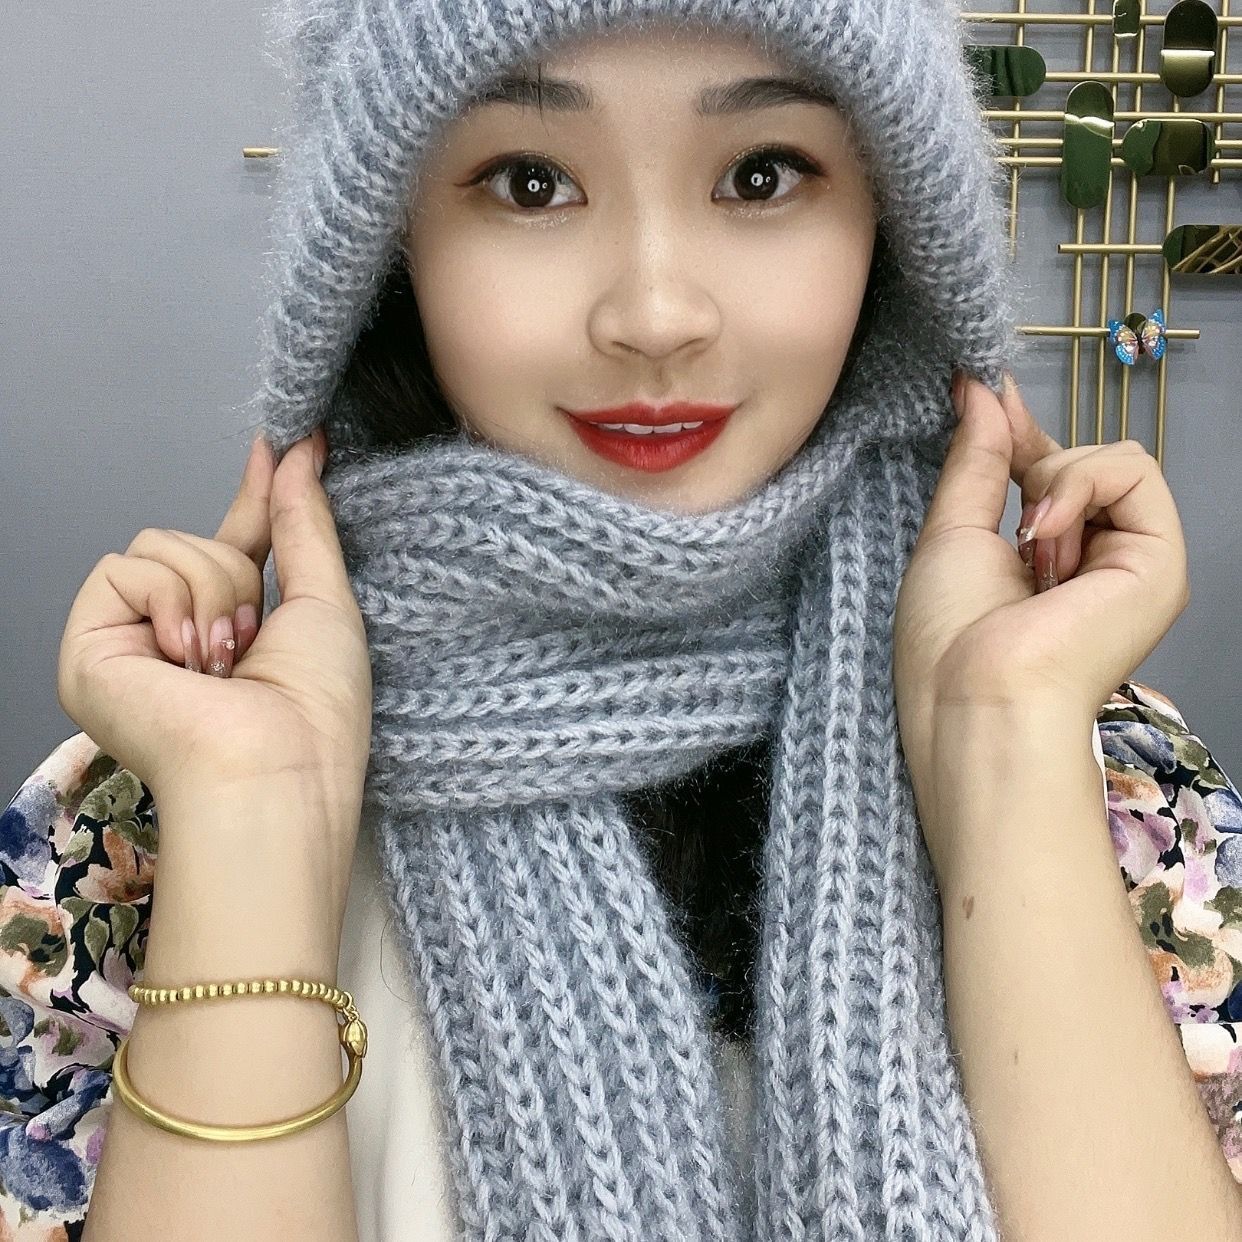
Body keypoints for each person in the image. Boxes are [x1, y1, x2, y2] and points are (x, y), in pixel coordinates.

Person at [3, 4, 1241, 1240]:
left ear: (895, 224)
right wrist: (256, 824)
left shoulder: (1114, 780)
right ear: (388, 243)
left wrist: (1004, 744)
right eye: (529, 183)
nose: (655, 314)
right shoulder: (151, 818)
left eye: (764, 175)